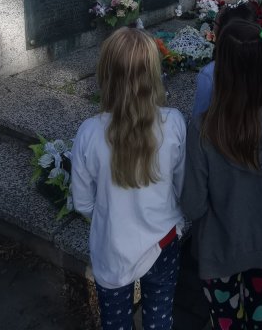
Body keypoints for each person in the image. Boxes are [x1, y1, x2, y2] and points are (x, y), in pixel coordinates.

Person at [182, 20, 262, 329]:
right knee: (261, 315)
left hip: (219, 248)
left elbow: (193, 204)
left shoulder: (203, 129)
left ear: (221, 67)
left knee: (226, 322)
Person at [71, 28, 186, 330]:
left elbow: (82, 203)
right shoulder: (174, 123)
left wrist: (112, 216)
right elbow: (180, 187)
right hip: (163, 242)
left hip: (113, 248)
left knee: (115, 323)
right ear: (153, 74)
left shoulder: (89, 133)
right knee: (159, 319)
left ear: (106, 75)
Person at [193, 2, 257, 117]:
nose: (213, 29)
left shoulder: (209, 73)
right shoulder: (260, 62)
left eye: (215, 24)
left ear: (224, 32)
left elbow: (198, 117)